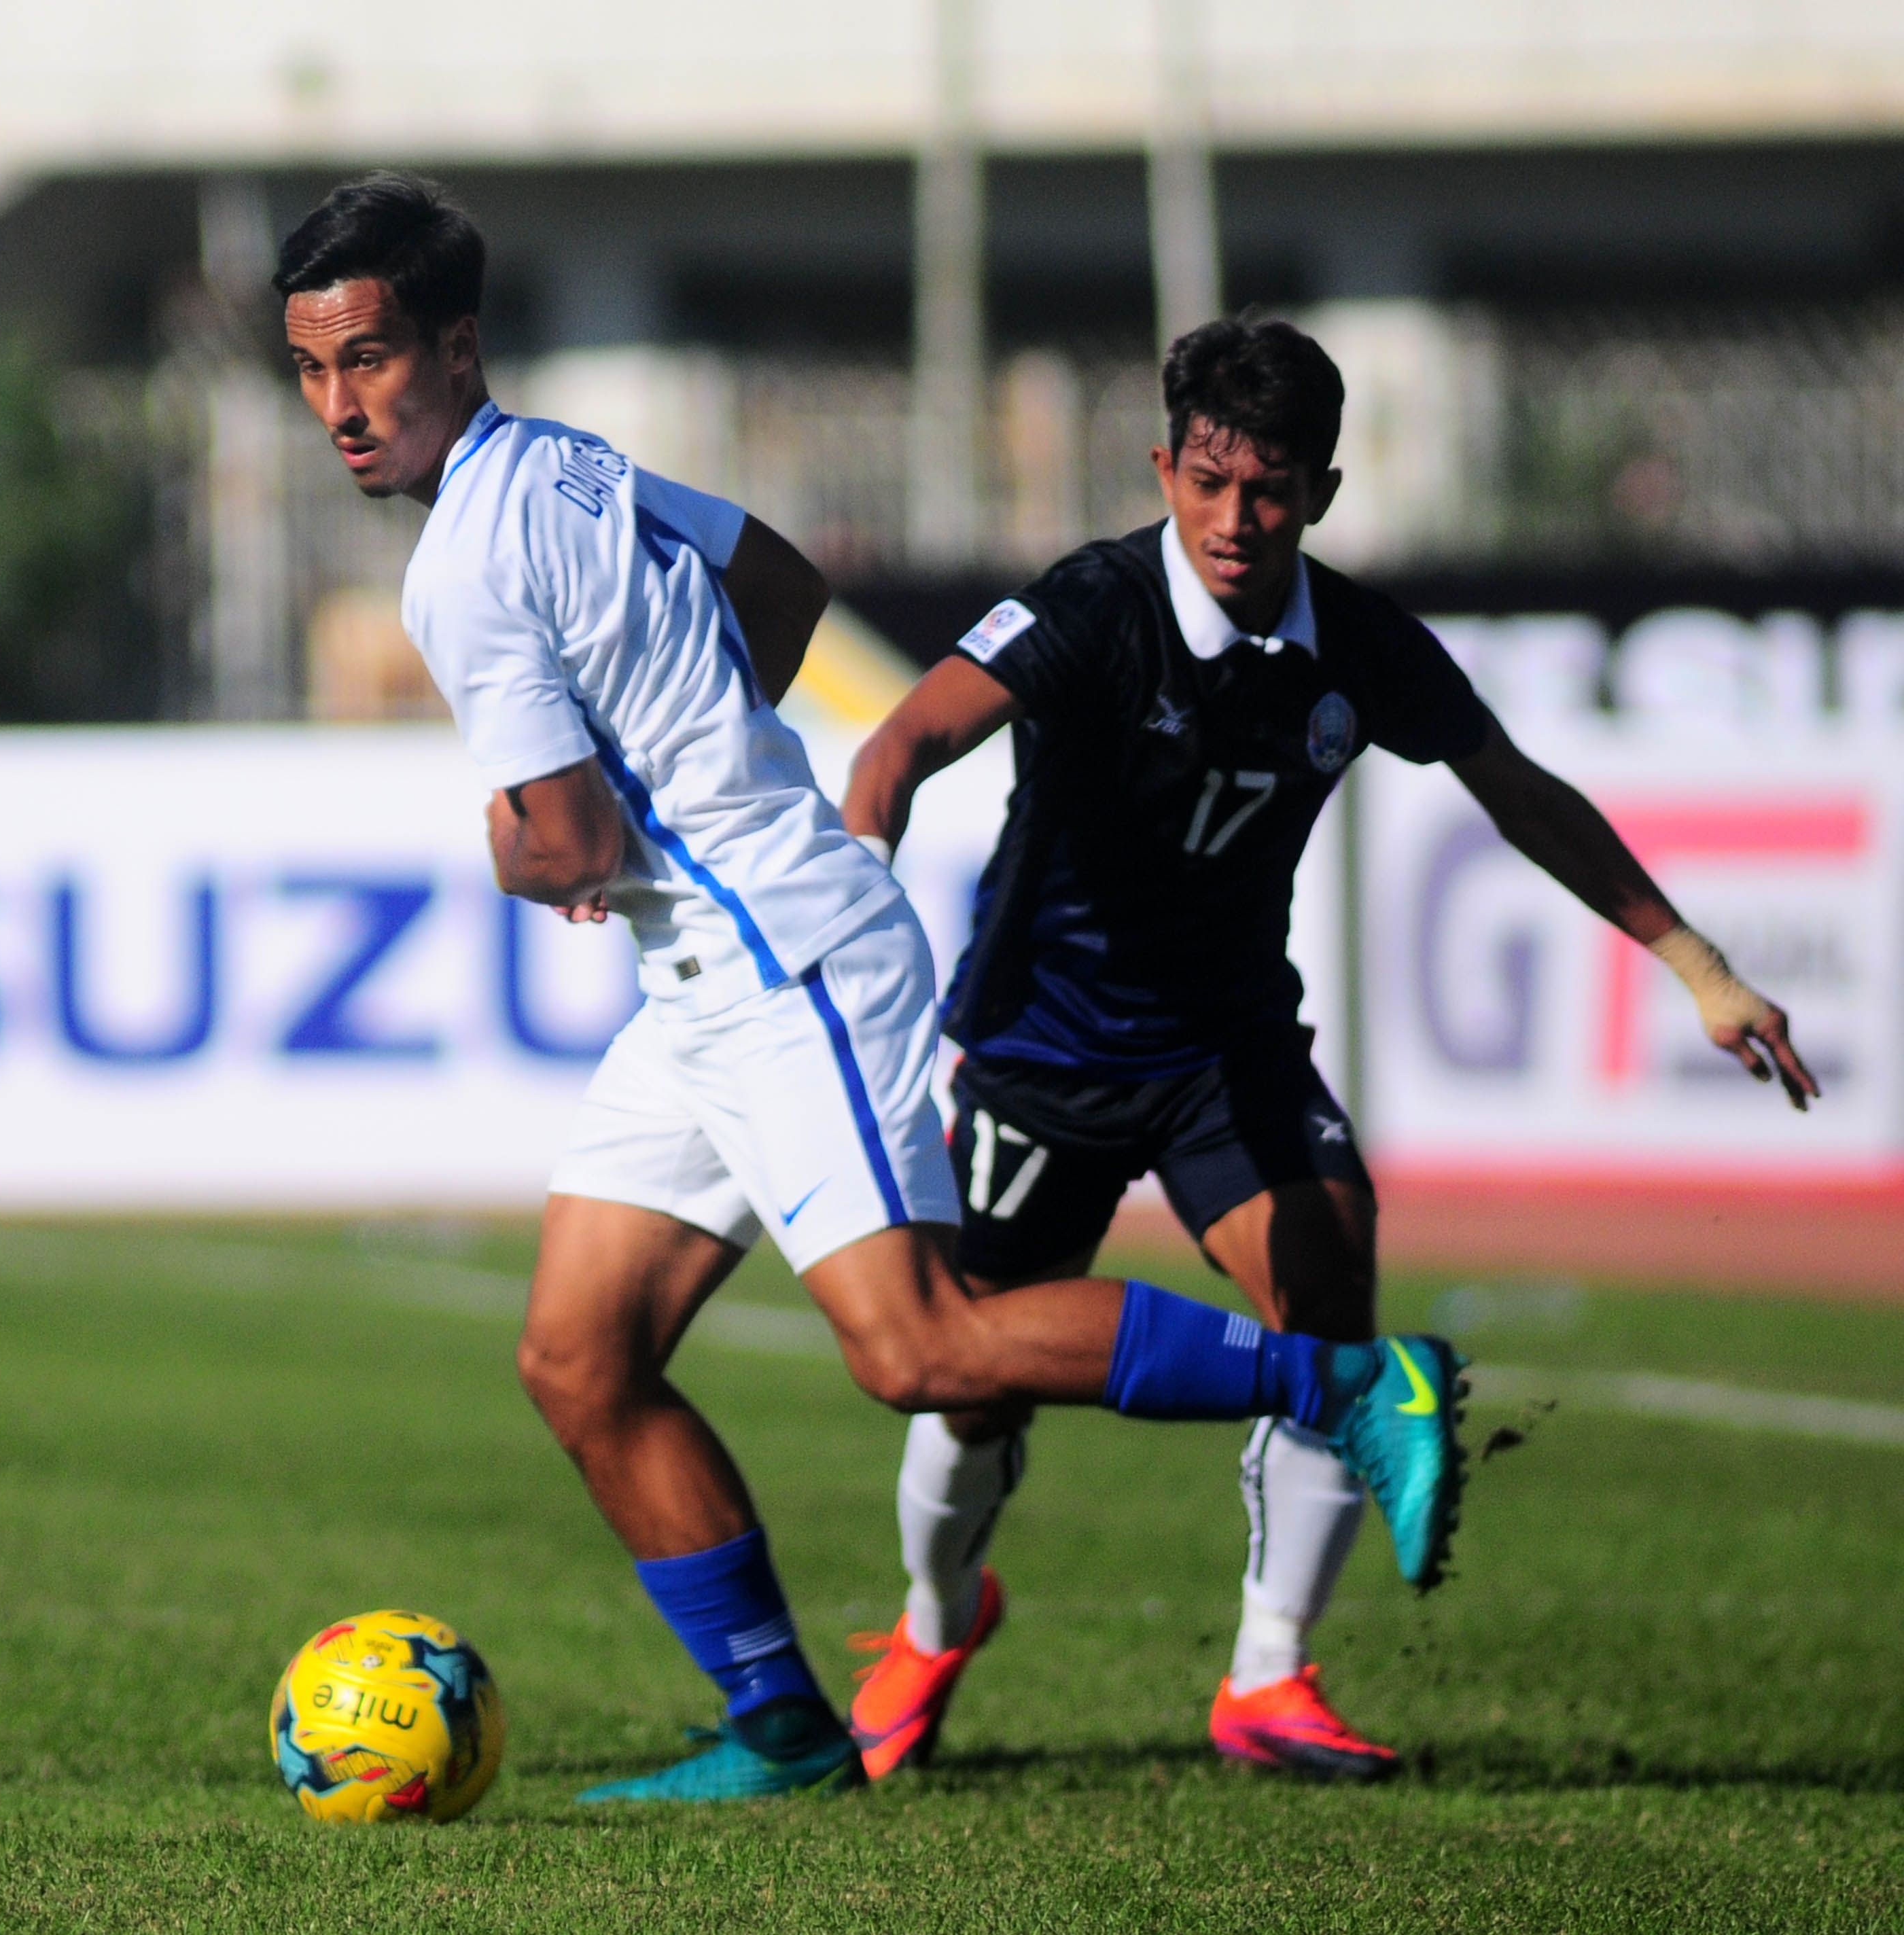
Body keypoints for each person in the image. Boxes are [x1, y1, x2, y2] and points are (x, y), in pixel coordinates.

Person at [276, 175, 1473, 1805]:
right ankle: (779, 1726)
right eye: (312, 370)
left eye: (370, 360)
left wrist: (551, 843)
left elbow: (555, 843)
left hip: (778, 955)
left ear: (456, 342)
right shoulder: (567, 461)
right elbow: (774, 581)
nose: (340, 406)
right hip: (704, 967)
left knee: (917, 1350)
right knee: (577, 1356)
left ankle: (1345, 1379)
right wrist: (699, 756)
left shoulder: (460, 567)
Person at [834, 316, 1818, 1784]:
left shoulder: (1357, 644)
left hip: (1225, 1045)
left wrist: (1695, 962)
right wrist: (859, 916)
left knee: (1331, 1294)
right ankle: (931, 1621)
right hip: (1039, 1047)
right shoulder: (1089, 607)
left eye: (1272, 490)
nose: (1237, 521)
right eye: (1211, 484)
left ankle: (1267, 1675)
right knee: (963, 1381)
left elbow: (1518, 794)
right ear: (1164, 468)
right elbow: (895, 745)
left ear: (1322, 493)